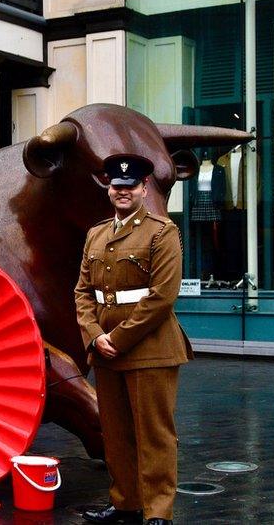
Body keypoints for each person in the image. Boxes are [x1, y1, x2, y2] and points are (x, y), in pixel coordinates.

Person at [74, 155, 192, 525]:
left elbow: (162, 296)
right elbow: (83, 293)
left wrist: (117, 339)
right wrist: (94, 337)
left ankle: (158, 511)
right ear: (109, 189)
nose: (122, 192)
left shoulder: (162, 232)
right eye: (116, 186)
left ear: (144, 189)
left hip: (149, 350)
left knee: (154, 434)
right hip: (106, 350)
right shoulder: (96, 234)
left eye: (130, 186)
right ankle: (125, 503)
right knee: (117, 433)